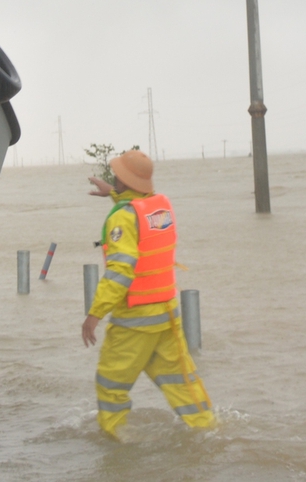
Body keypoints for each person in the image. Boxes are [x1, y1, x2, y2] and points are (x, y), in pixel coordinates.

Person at [80, 149, 215, 437]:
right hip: (166, 313)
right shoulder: (159, 207)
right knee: (183, 383)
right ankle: (208, 433)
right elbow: (137, 213)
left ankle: (114, 442)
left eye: (116, 175)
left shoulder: (122, 220)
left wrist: (95, 314)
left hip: (135, 321)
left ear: (123, 179)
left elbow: (120, 272)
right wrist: (115, 194)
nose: (113, 176)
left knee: (110, 383)